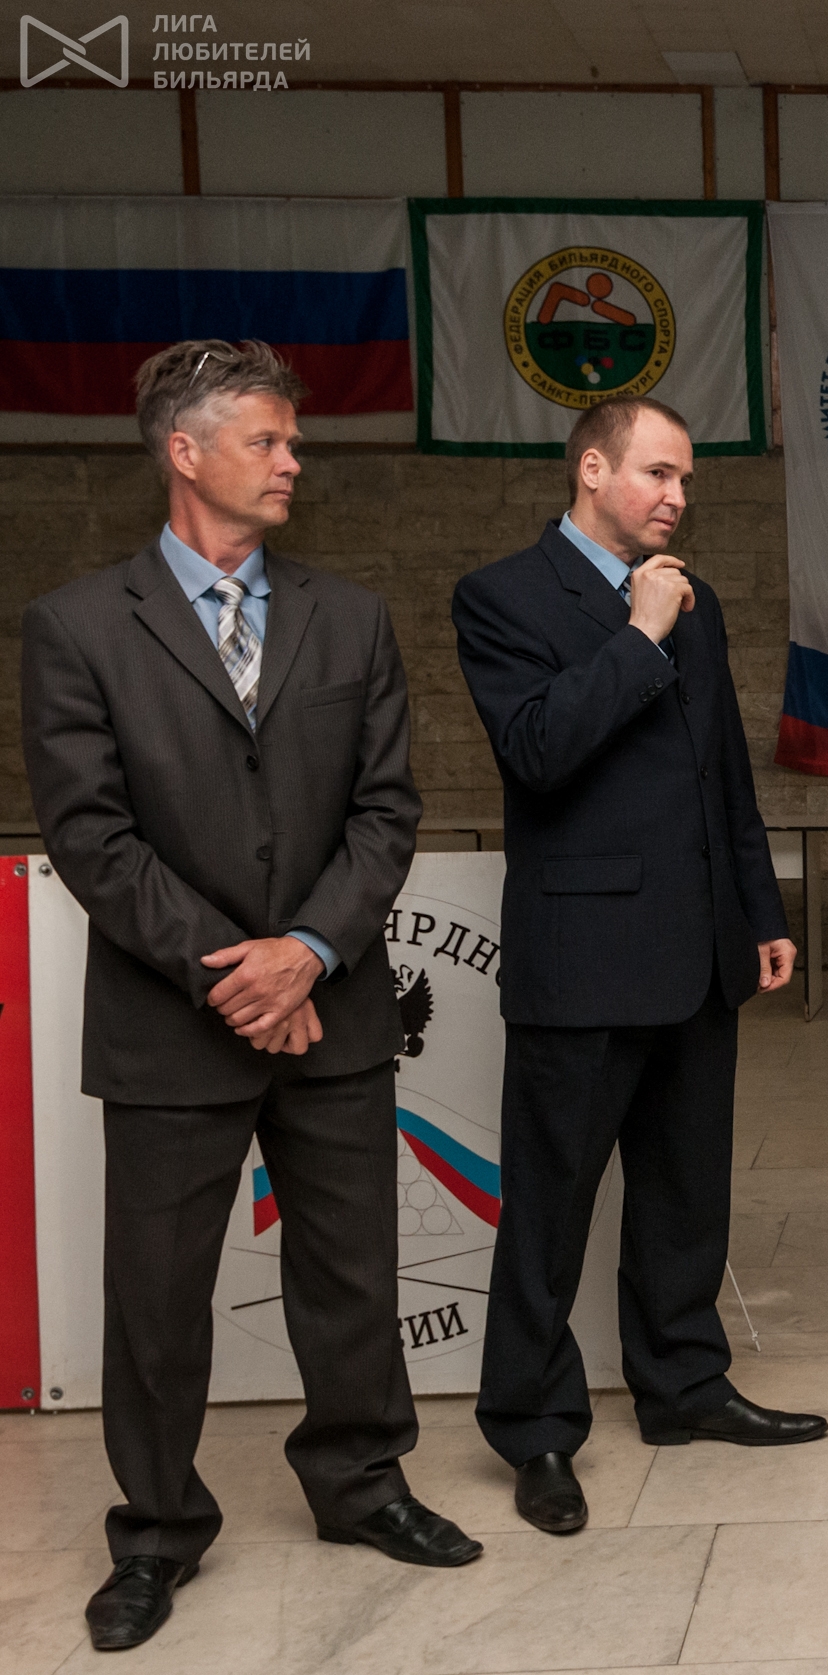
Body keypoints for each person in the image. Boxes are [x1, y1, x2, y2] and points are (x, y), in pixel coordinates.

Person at [23, 340, 477, 1653]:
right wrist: (240, 969)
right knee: (157, 1296)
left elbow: (387, 810)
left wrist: (311, 951)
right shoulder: (78, 627)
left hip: (333, 1009)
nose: (293, 460)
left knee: (354, 1269)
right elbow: (90, 835)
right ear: (185, 451)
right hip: (173, 1022)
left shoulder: (353, 617)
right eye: (268, 440)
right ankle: (157, 1532)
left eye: (293, 440)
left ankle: (362, 1483)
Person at [452, 395, 822, 1535]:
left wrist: (759, 908)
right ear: (592, 470)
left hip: (698, 954)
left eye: (686, 479)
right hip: (582, 960)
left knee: (685, 1194)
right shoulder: (503, 596)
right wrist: (641, 634)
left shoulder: (688, 599)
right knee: (551, 1210)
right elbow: (538, 750)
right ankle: (535, 1428)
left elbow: (722, 774)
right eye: (659, 473)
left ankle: (684, 1384)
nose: (677, 496)